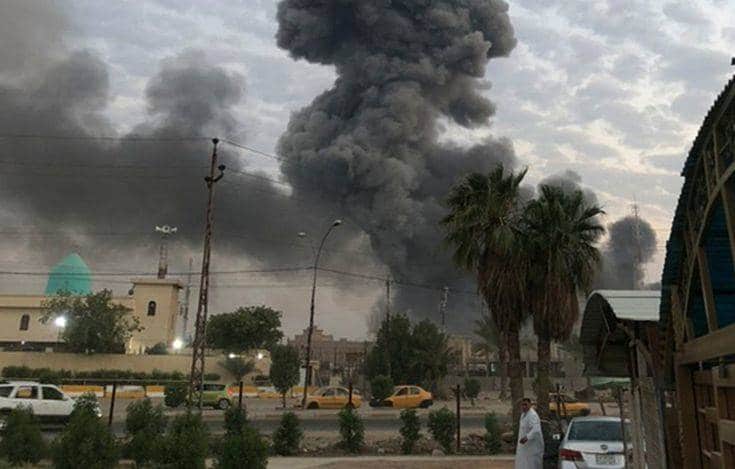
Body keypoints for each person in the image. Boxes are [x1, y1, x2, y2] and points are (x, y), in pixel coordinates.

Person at [515, 397, 544, 469]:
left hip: (532, 447)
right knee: (523, 464)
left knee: (532, 465)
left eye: (526, 404)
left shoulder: (532, 415)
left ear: (530, 405)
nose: (524, 407)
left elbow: (536, 429)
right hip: (525, 447)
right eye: (522, 405)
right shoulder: (523, 415)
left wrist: (527, 437)